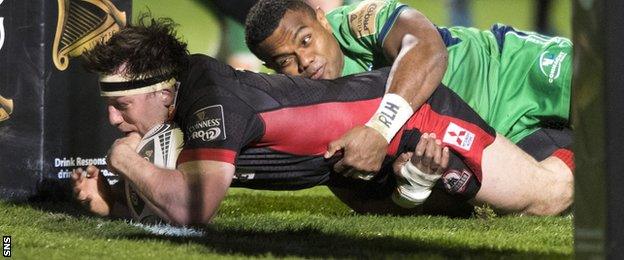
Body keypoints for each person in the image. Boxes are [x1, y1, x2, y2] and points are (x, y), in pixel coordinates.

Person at [72, 17, 571, 226]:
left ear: (163, 91)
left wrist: (121, 161)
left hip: (420, 118)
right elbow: (175, 181)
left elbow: (194, 205)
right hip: (350, 170)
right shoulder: (188, 108)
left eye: (121, 105)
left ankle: (587, 140)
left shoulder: (211, 98)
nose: (114, 119)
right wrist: (113, 199)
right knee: (442, 207)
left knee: (545, 199)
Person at [244, 0, 574, 177]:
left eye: (306, 40)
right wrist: (413, 179)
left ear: (323, 21)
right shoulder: (309, 109)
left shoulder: (359, 21)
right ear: (273, 70)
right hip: (500, 139)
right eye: (286, 61)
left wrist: (381, 128)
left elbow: (428, 50)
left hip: (511, 68)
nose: (306, 60)